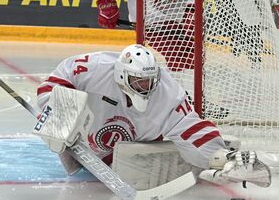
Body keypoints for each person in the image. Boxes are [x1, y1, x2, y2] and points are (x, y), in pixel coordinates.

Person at [35, 44, 273, 189]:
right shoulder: (93, 67)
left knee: (186, 153)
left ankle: (230, 154)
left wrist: (221, 158)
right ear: (122, 75)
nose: (145, 86)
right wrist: (55, 115)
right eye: (139, 80)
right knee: (60, 122)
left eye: (149, 80)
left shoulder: (167, 93)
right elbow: (57, 80)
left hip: (130, 150)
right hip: (84, 145)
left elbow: (190, 127)